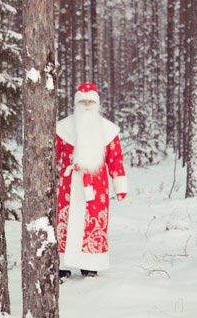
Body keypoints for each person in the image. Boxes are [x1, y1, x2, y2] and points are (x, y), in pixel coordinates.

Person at [55, 82, 128, 279]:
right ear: (76, 103)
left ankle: (90, 264)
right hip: (69, 185)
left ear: (96, 103)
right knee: (66, 222)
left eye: (90, 101)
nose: (87, 105)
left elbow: (115, 159)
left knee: (91, 224)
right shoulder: (63, 128)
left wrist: (119, 185)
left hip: (96, 186)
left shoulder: (107, 129)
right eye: (83, 101)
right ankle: (63, 263)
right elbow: (51, 155)